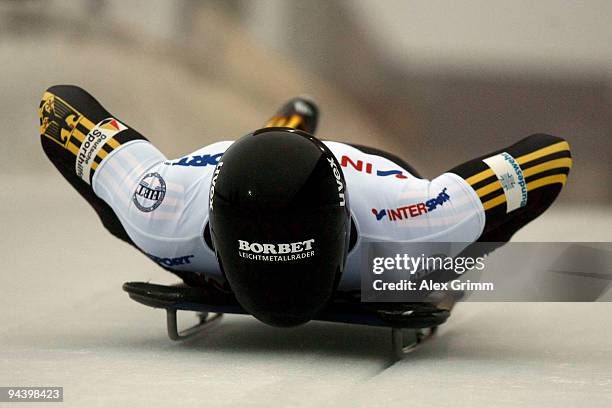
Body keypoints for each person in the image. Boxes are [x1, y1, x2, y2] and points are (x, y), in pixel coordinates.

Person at [39, 85, 572, 326]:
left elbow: (550, 154)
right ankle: (280, 131)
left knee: (450, 252)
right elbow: (58, 107)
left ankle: (283, 129)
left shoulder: (419, 222)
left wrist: (461, 260)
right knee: (125, 221)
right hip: (230, 172)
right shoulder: (159, 207)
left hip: (371, 178)